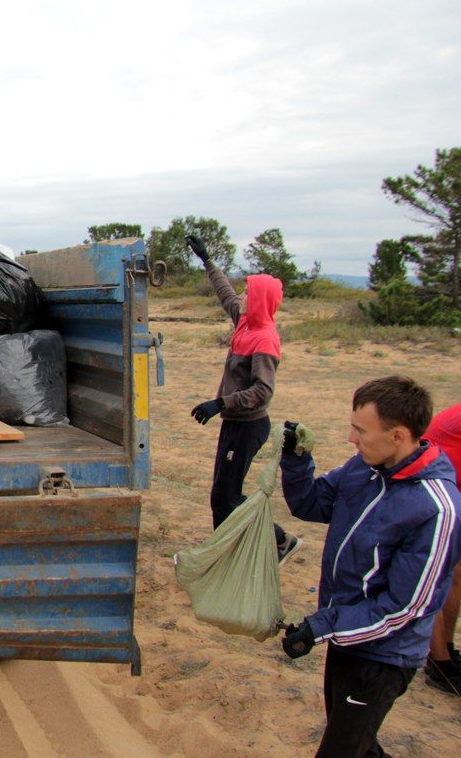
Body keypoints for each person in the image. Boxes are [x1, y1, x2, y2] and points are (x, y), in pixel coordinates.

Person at [279, 376, 461, 757]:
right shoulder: (365, 469)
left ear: (397, 436)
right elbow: (311, 504)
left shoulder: (437, 508)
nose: (351, 439)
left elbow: (405, 608)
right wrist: (296, 462)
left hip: (383, 656)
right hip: (348, 636)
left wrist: (323, 625)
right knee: (357, 745)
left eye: (360, 431)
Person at [185, 235, 299, 562]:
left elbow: (263, 391)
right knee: (224, 495)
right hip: (235, 425)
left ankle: (274, 541)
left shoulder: (264, 339)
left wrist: (221, 403)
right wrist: (207, 260)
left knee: (225, 496)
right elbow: (225, 293)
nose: (244, 295)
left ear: (261, 299)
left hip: (249, 427)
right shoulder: (245, 323)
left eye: (249, 292)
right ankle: (242, 549)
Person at [423, 402, 461, 695]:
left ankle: (445, 650)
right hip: (441, 485)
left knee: (455, 574)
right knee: (436, 572)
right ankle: (439, 662)